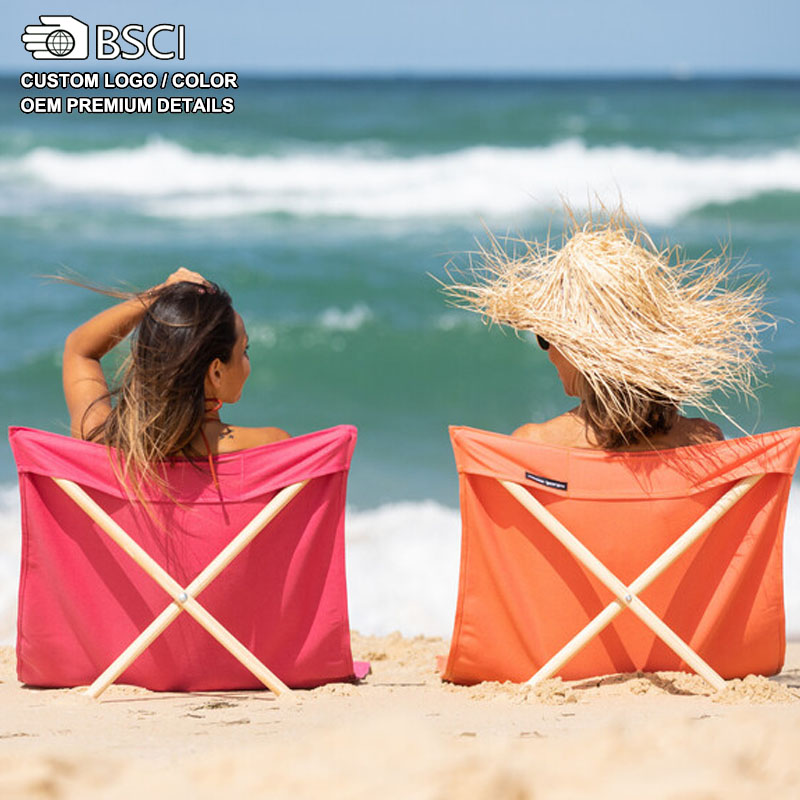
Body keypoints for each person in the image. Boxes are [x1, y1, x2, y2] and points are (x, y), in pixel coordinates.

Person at [444, 209, 770, 450]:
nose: (548, 352)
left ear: (579, 350)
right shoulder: (703, 442)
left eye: (546, 338)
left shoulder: (532, 446)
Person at [62, 267, 288, 494]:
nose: (247, 360)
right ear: (216, 372)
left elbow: (79, 349)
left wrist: (156, 297)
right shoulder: (271, 449)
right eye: (244, 349)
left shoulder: (104, 447)